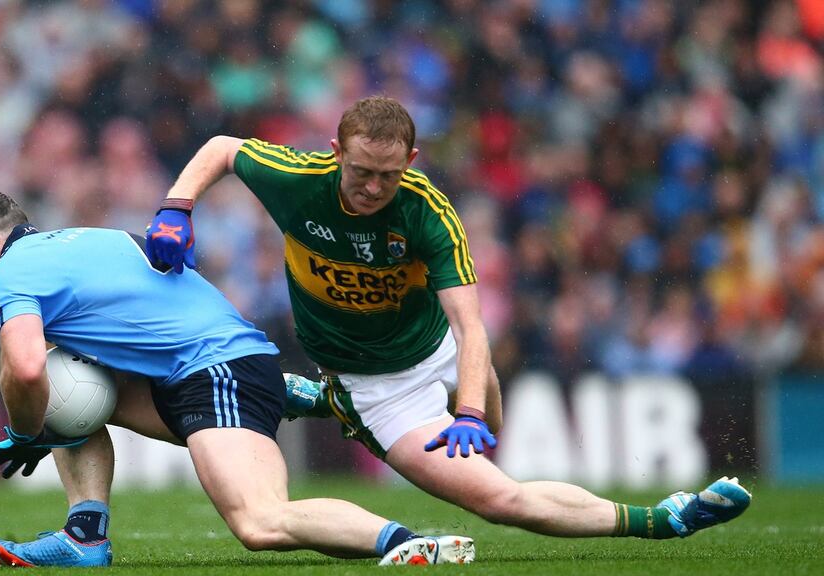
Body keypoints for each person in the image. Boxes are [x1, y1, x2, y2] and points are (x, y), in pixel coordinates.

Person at [144, 96, 751, 543]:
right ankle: (665, 519)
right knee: (499, 499)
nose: (373, 188)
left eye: (389, 174)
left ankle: (318, 397)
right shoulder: (297, 180)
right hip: (378, 389)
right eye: (360, 172)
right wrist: (177, 206)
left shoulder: (429, 213)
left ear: (411, 159)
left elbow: (472, 328)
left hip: (440, 350)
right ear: (335, 154)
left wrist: (470, 410)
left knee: (496, 437)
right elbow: (223, 148)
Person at [0, 191, 475, 567]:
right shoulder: (88, 240)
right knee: (70, 386)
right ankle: (85, 534)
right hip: (216, 362)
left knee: (260, 521)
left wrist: (28, 433)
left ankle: (407, 542)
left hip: (216, 372)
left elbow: (22, 369)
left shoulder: (11, 272)